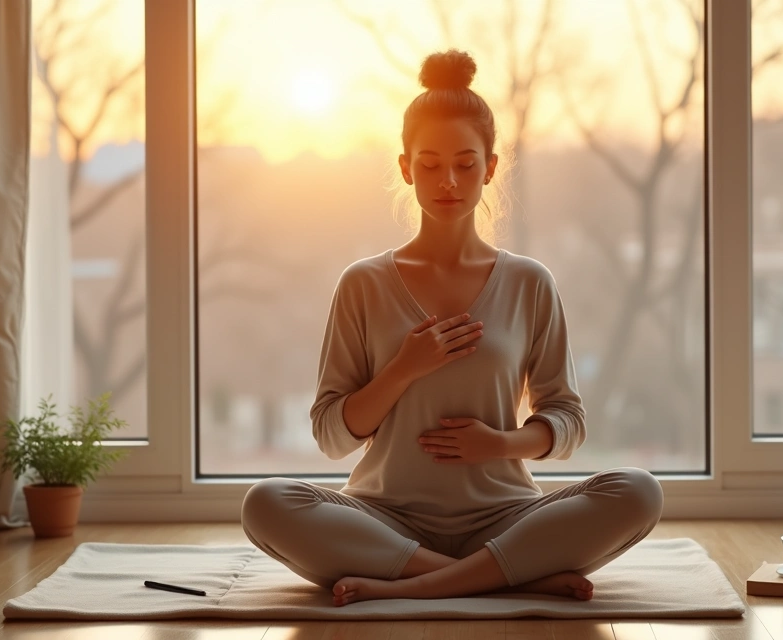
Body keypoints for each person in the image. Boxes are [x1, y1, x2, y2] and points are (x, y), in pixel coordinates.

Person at [242, 49, 663, 607]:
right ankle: (502, 580)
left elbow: (566, 419)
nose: (448, 181)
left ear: (490, 167)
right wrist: (402, 370)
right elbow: (332, 435)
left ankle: (424, 584)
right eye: (430, 165)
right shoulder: (363, 284)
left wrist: (499, 444)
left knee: (638, 491)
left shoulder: (529, 282)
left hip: (507, 517)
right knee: (265, 503)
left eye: (466, 164)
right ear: (405, 168)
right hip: (384, 520)